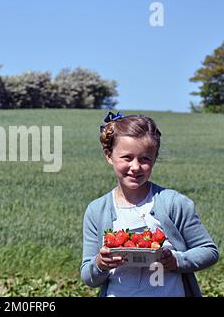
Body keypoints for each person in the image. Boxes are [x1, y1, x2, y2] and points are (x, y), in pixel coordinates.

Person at [81, 111, 219, 297]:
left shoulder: (173, 203)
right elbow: (88, 277)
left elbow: (209, 251)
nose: (136, 167)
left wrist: (176, 261)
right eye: (127, 158)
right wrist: (100, 263)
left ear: (155, 158)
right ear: (109, 155)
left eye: (145, 159)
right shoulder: (97, 211)